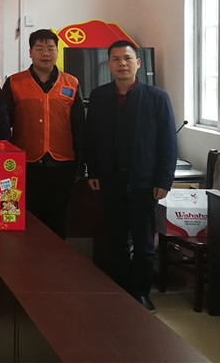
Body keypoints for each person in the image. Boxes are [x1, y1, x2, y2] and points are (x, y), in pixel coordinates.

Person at [85, 40, 177, 312]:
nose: (122, 64)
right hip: (110, 180)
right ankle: (120, 289)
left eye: (127, 58)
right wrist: (93, 171)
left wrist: (164, 180)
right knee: (115, 240)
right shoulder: (99, 96)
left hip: (144, 183)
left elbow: (168, 142)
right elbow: (91, 138)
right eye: (116, 59)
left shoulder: (157, 97)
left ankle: (141, 293)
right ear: (109, 65)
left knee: (144, 242)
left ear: (137, 63)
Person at [2, 28, 84, 238]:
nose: (45, 53)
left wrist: (80, 164)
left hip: (62, 165)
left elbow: (79, 127)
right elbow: (3, 126)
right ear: (30, 53)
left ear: (57, 52)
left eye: (50, 48)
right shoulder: (14, 82)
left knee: (58, 221)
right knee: (26, 220)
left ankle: (56, 259)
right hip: (25, 164)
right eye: (39, 48)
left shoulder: (71, 83)